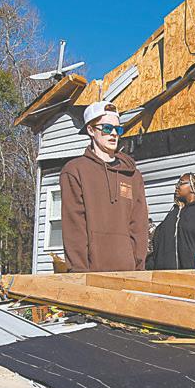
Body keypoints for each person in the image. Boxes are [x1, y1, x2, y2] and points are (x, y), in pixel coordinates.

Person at [60, 101, 149, 273]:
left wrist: (138, 270)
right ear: (91, 130)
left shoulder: (133, 175)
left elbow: (139, 226)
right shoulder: (74, 171)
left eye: (118, 129)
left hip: (129, 274)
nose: (114, 133)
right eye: (107, 128)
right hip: (91, 274)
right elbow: (74, 228)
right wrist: (79, 274)